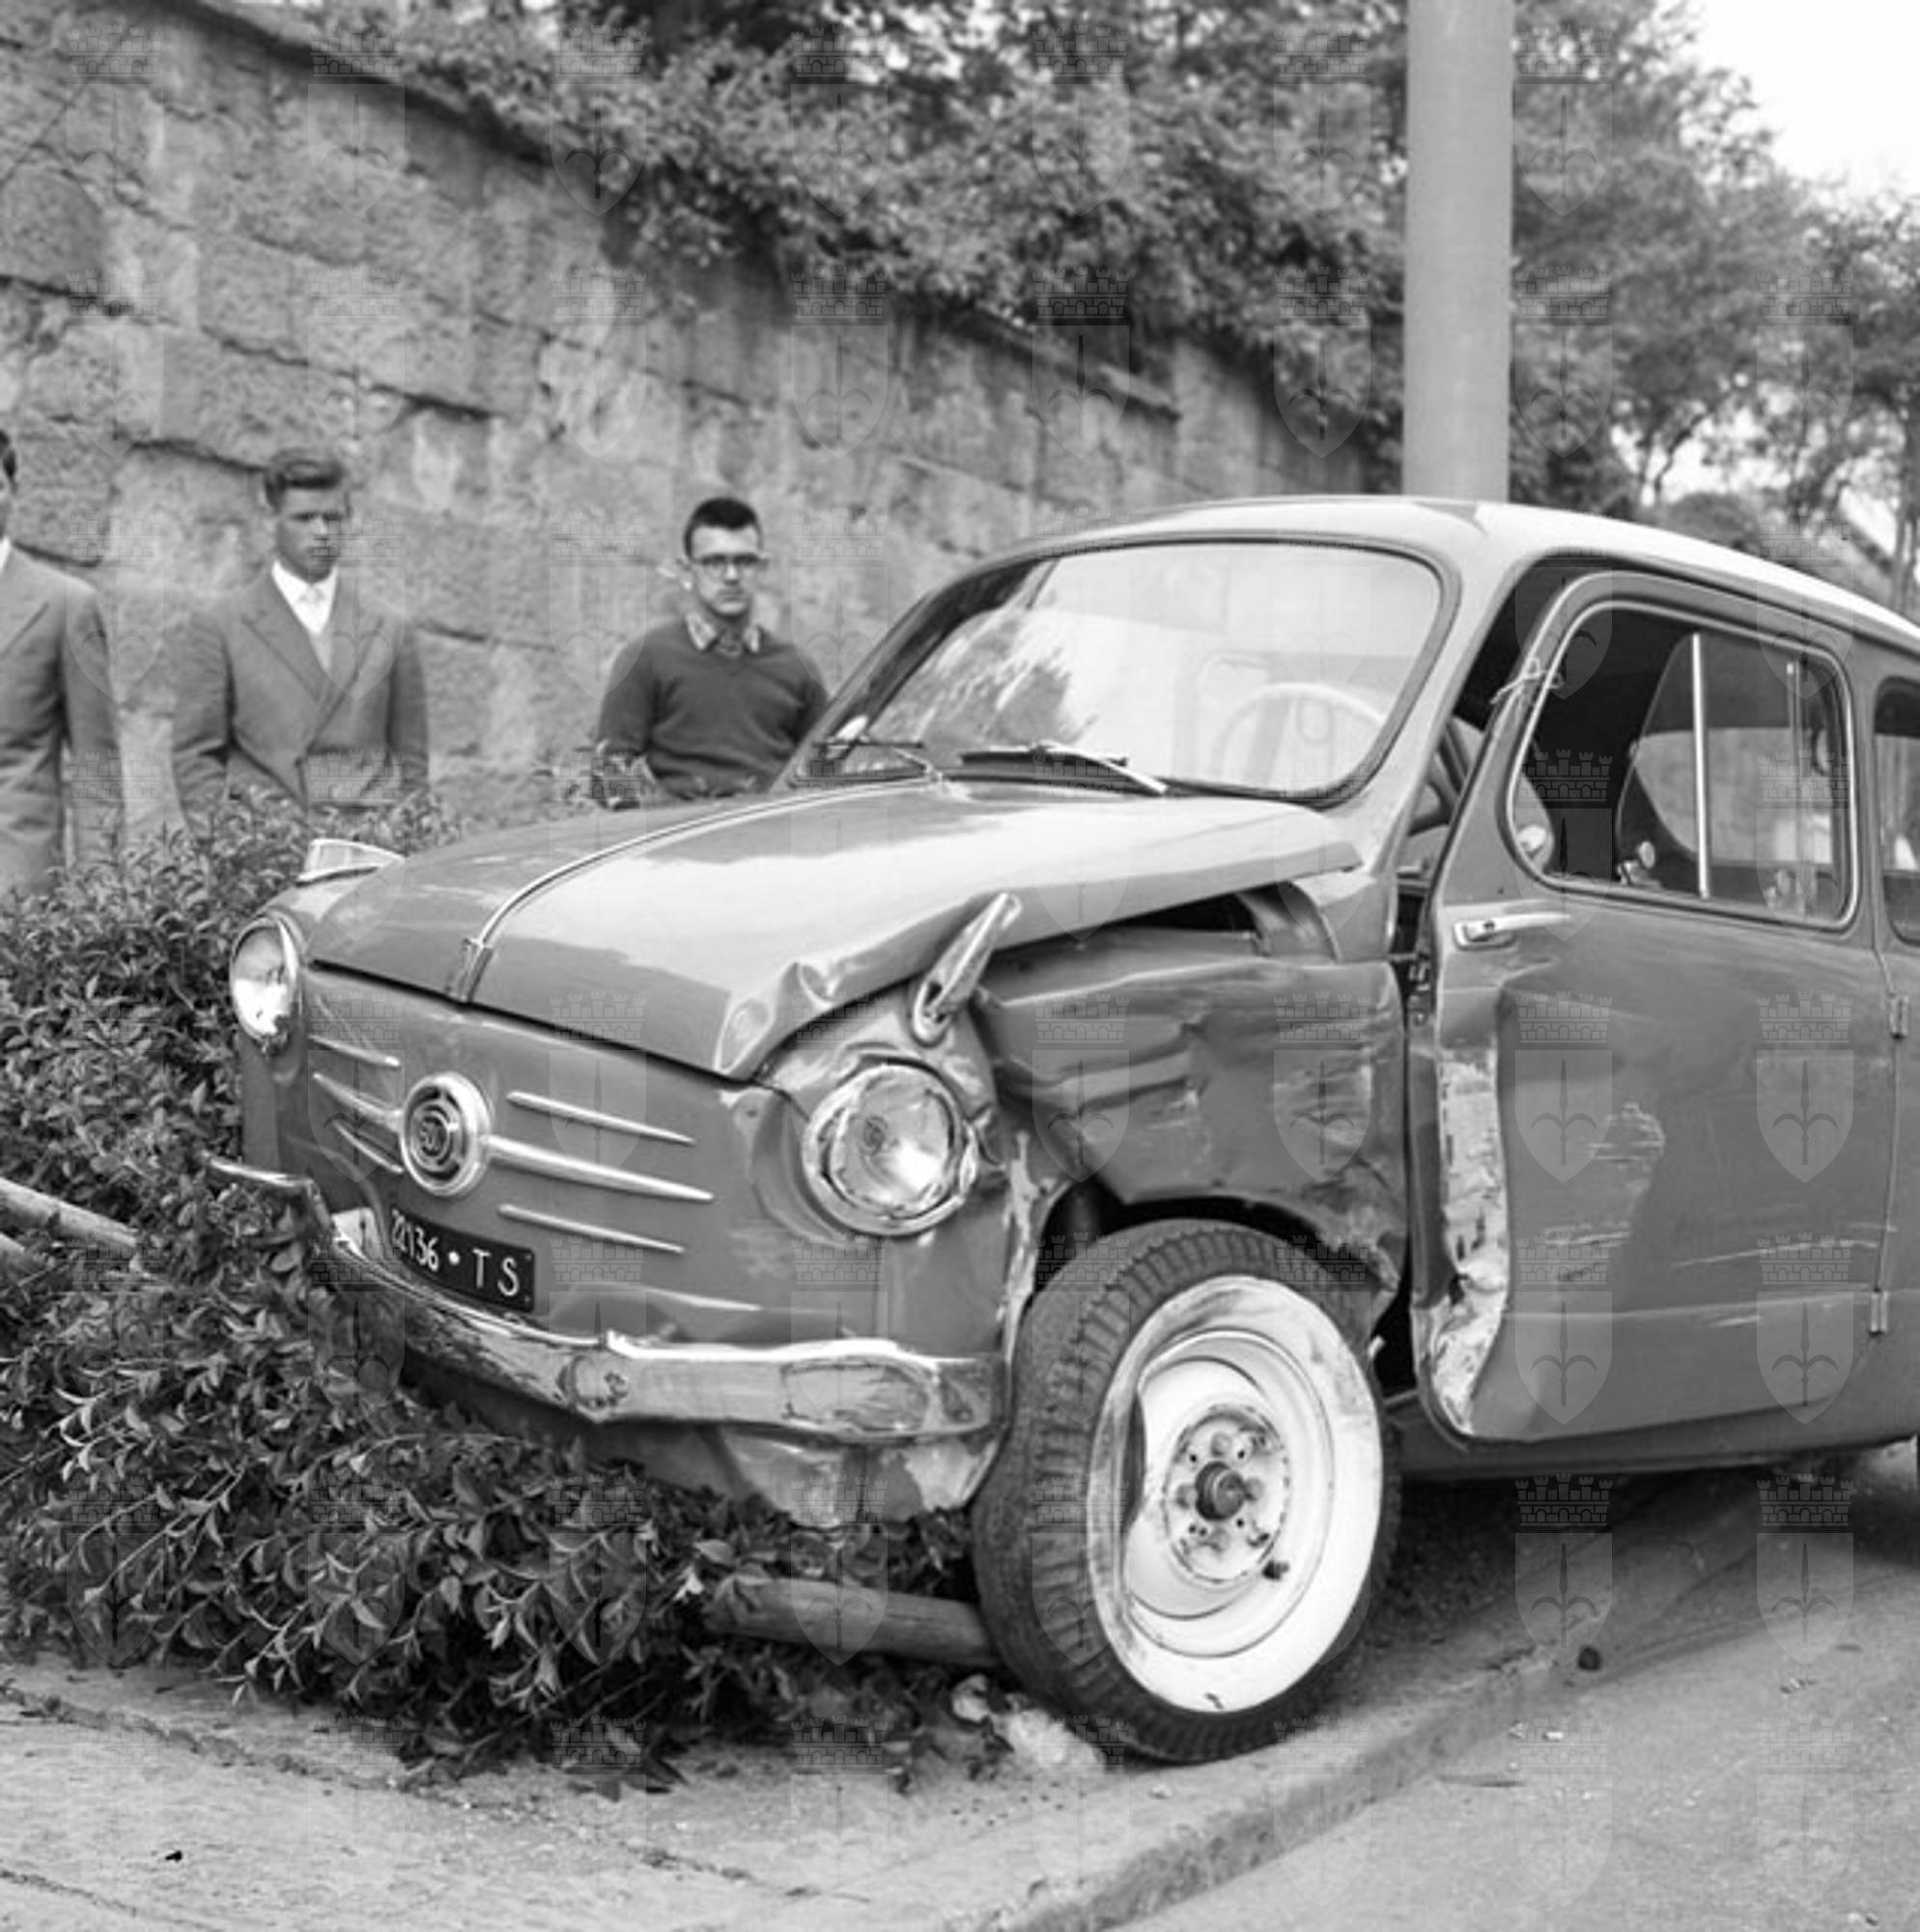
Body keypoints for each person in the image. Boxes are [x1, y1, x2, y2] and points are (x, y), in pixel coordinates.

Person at [171, 446, 429, 838]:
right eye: (305, 519)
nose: (322, 532)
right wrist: (226, 843)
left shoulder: (390, 628)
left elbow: (411, 762)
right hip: (267, 845)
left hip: (365, 847)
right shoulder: (222, 625)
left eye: (333, 518)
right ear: (270, 521)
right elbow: (196, 756)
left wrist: (399, 839)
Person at [593, 496, 828, 804]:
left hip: (776, 826)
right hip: (685, 829)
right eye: (714, 562)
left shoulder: (797, 667)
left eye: (744, 562)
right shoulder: (645, 659)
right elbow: (608, 775)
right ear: (686, 570)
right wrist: (663, 814)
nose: (731, 576)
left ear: (762, 567)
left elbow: (826, 769)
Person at [0, 427, 122, 897]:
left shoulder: (66, 605)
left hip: (15, 895)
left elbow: (95, 764)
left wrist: (101, 894)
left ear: (14, 493)